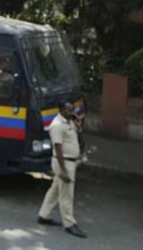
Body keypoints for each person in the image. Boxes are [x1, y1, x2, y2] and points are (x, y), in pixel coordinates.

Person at [37, 101, 87, 238]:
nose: (71, 113)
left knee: (55, 190)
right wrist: (63, 170)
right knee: (66, 195)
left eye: (72, 110)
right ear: (60, 110)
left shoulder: (68, 121)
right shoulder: (57, 125)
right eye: (68, 110)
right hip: (63, 163)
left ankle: (43, 214)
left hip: (70, 161)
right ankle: (69, 224)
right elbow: (58, 149)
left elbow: (77, 136)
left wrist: (78, 126)